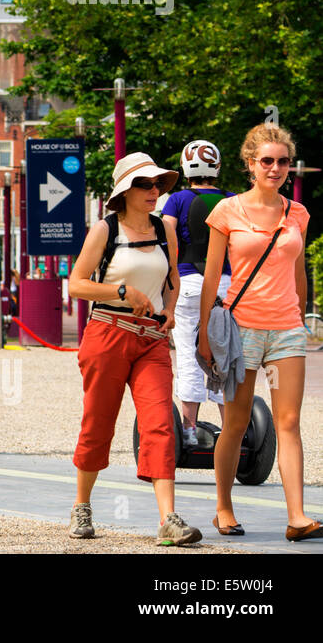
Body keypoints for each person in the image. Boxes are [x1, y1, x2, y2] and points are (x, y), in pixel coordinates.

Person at [66, 152, 201, 546]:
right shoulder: (105, 230)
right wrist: (121, 291)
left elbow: (173, 276)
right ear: (124, 190)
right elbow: (76, 285)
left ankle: (168, 520)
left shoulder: (164, 229)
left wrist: (171, 310)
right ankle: (82, 506)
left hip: (153, 340)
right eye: (145, 184)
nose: (154, 190)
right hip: (108, 332)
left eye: (158, 183)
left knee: (159, 423)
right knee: (98, 422)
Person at [200, 124, 319, 541]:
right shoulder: (227, 211)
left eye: (283, 161)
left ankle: (298, 517)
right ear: (250, 163)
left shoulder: (298, 213)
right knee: (235, 423)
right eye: (266, 160)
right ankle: (224, 507)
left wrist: (302, 320)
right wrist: (202, 334)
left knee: (289, 421)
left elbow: (299, 274)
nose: (275, 167)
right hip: (242, 331)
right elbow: (213, 276)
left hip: (286, 330)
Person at [161, 140, 233, 447]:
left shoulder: (176, 200)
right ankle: (232, 431)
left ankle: (188, 430)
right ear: (217, 167)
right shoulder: (232, 201)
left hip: (188, 284)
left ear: (184, 166)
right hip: (226, 285)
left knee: (190, 358)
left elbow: (167, 241)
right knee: (223, 356)